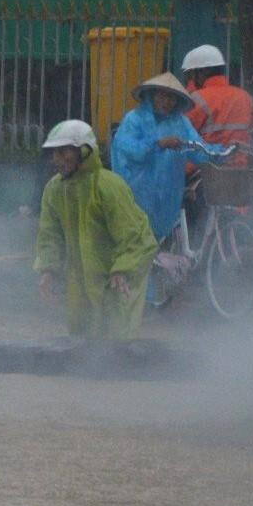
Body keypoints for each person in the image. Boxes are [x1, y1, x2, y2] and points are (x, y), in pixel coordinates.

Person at [34, 119, 158, 341]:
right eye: (55, 153)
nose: (57, 160)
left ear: (84, 151)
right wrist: (48, 269)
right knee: (81, 336)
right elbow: (49, 235)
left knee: (117, 338)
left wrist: (123, 269)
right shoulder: (54, 190)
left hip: (115, 276)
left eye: (64, 152)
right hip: (80, 276)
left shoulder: (108, 186)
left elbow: (137, 236)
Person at [110, 72, 232, 242]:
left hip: (167, 194)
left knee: (157, 239)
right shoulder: (134, 120)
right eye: (162, 96)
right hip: (136, 192)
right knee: (137, 239)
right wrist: (157, 144)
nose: (167, 102)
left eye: (171, 97)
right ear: (151, 95)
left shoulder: (180, 123)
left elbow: (196, 147)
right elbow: (127, 149)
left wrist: (218, 153)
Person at [179, 43, 253, 166]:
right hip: (242, 165)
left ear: (201, 73)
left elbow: (183, 131)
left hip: (208, 167)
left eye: (190, 75)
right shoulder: (245, 96)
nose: (189, 80)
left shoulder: (197, 97)